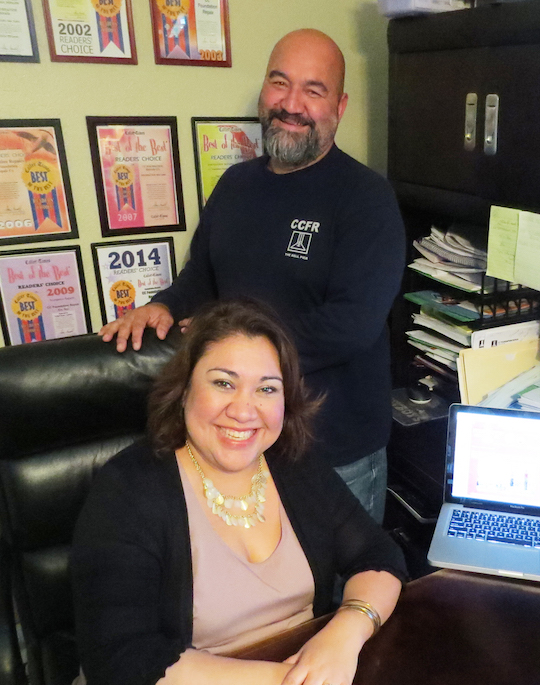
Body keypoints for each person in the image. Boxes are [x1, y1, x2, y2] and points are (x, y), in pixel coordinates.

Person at [99, 29, 406, 522]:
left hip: (334, 452)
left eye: (313, 90)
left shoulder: (366, 199)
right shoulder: (236, 184)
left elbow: (350, 326)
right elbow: (203, 275)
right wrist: (167, 305)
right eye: (279, 83)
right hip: (240, 442)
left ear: (340, 106)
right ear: (263, 89)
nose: (291, 104)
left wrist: (230, 352)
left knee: (335, 591)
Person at [72, 299, 407, 685]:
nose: (245, 411)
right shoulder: (127, 488)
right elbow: (119, 658)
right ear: (184, 391)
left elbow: (377, 555)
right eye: (224, 383)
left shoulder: (292, 463)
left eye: (266, 388)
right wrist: (284, 680)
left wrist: (346, 632)